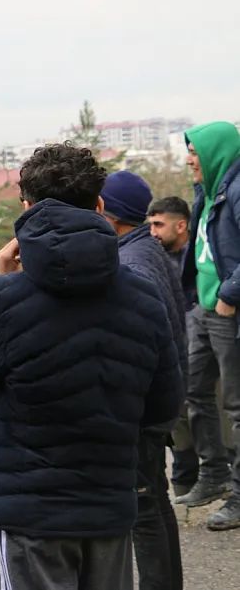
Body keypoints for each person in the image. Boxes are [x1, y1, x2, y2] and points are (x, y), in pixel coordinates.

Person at [0, 142, 184, 590]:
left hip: (26, 513)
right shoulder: (143, 297)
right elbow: (163, 406)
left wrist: (0, 283)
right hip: (108, 508)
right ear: (99, 205)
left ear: (26, 207)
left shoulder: (2, 297)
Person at [101, 171, 186, 590]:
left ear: (110, 214)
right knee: (156, 503)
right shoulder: (149, 252)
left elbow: (141, 346)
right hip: (160, 405)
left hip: (141, 413)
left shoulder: (133, 265)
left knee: (143, 512)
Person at [175, 120, 240, 531]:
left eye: (195, 153)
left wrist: (230, 294)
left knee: (237, 407)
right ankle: (213, 474)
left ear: (215, 152)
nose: (189, 160)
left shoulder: (236, 190)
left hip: (226, 310)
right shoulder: (211, 189)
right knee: (194, 390)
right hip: (203, 308)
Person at [149, 197, 236, 495]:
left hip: (215, 325)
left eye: (159, 224)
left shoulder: (199, 257)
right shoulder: (156, 257)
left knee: (226, 405)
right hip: (186, 335)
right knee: (186, 405)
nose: (153, 232)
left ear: (181, 224)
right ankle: (198, 478)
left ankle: (227, 477)